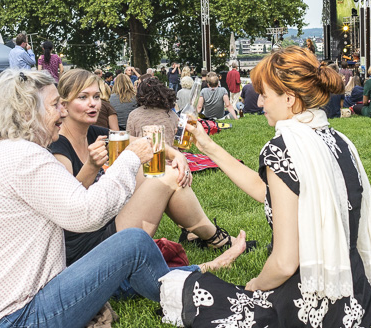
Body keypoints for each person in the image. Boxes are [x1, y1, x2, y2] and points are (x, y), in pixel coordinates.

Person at [0, 70, 244, 328]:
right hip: (8, 327)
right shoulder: (24, 158)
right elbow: (87, 215)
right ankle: (196, 292)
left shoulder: (7, 153)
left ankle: (191, 277)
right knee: (133, 242)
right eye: (56, 105)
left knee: (128, 251)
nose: (63, 113)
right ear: (28, 112)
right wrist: (129, 160)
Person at [159, 46, 371, 328]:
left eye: (265, 94)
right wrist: (208, 146)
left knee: (178, 287)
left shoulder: (284, 148)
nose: (260, 102)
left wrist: (255, 284)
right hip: (353, 296)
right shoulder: (334, 139)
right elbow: (266, 190)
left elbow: (283, 263)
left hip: (308, 312)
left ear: (290, 99)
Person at [49, 69, 247, 265]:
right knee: (166, 176)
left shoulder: (95, 133)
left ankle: (205, 236)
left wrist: (177, 154)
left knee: (167, 171)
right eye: (83, 97)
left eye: (96, 96)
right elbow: (68, 207)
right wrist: (92, 166)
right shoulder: (59, 149)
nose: (92, 103)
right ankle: (215, 238)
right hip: (89, 248)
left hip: (107, 221)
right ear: (64, 105)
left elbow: (145, 142)